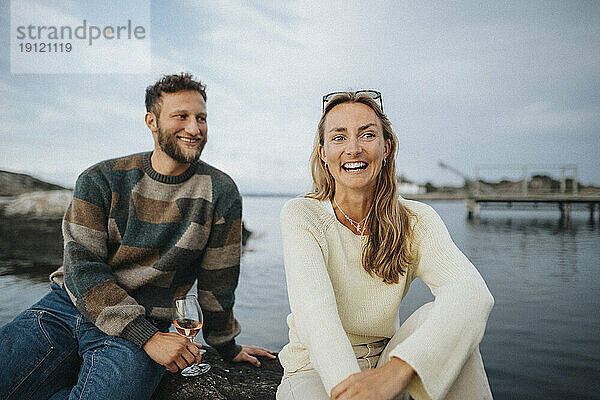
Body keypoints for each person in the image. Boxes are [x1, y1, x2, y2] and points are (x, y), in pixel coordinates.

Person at [0, 73, 275, 400]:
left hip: (141, 326)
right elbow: (82, 270)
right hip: (67, 308)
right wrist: (150, 339)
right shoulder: (100, 178)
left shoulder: (220, 192)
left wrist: (226, 346)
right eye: (181, 116)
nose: (195, 128)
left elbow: (218, 282)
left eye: (201, 118)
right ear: (152, 121)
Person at [276, 91, 494, 400]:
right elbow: (317, 320)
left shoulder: (416, 218)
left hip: (387, 362)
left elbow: (472, 292)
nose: (353, 149)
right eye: (339, 138)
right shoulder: (302, 215)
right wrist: (357, 392)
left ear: (386, 147)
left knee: (453, 329)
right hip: (314, 367)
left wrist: (395, 372)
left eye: (367, 134)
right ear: (323, 152)